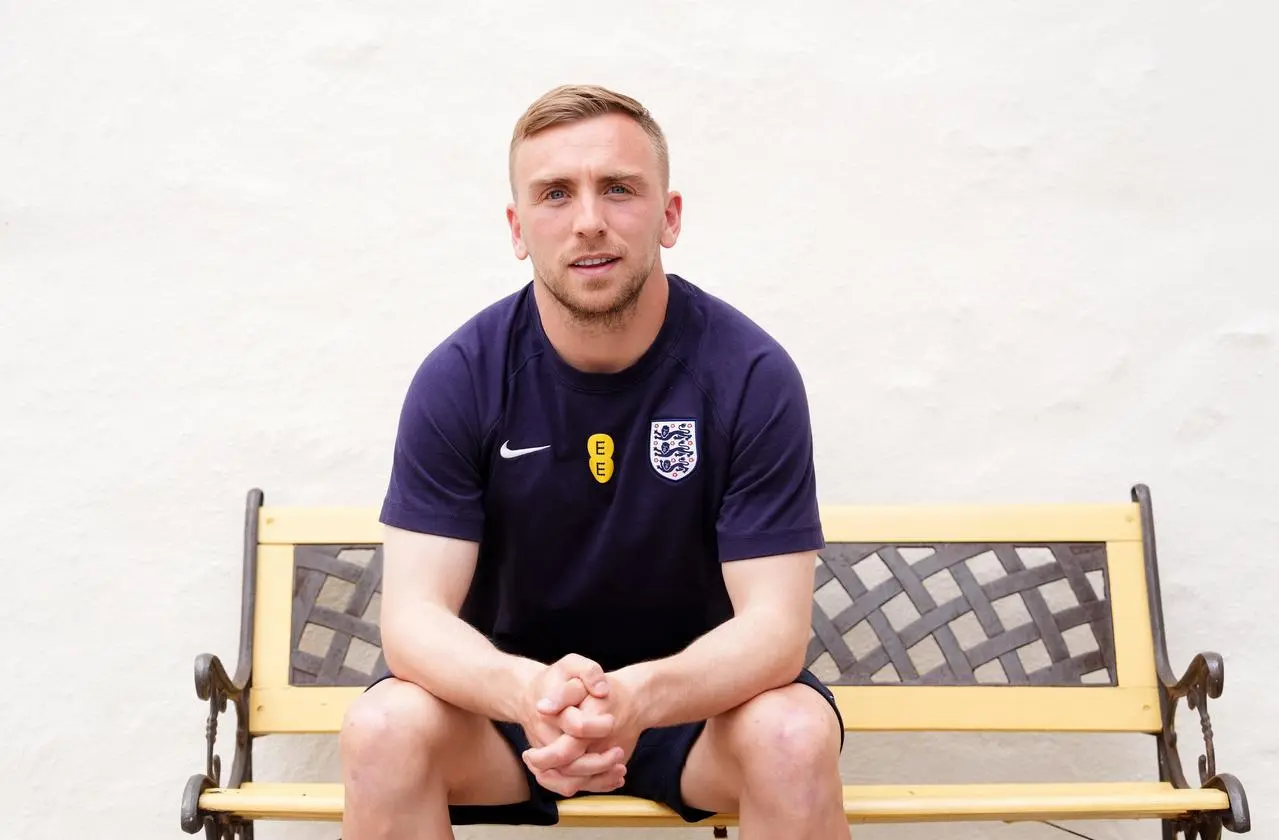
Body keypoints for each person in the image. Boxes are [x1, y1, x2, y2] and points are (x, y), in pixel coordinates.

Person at [340, 84, 848, 839]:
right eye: (554, 194)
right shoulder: (461, 375)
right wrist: (527, 693)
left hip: (695, 712)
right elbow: (413, 621)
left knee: (793, 736)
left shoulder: (747, 373)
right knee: (383, 729)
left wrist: (639, 699)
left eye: (618, 189)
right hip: (506, 713)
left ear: (667, 215)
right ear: (517, 228)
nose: (588, 221)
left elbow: (774, 629)